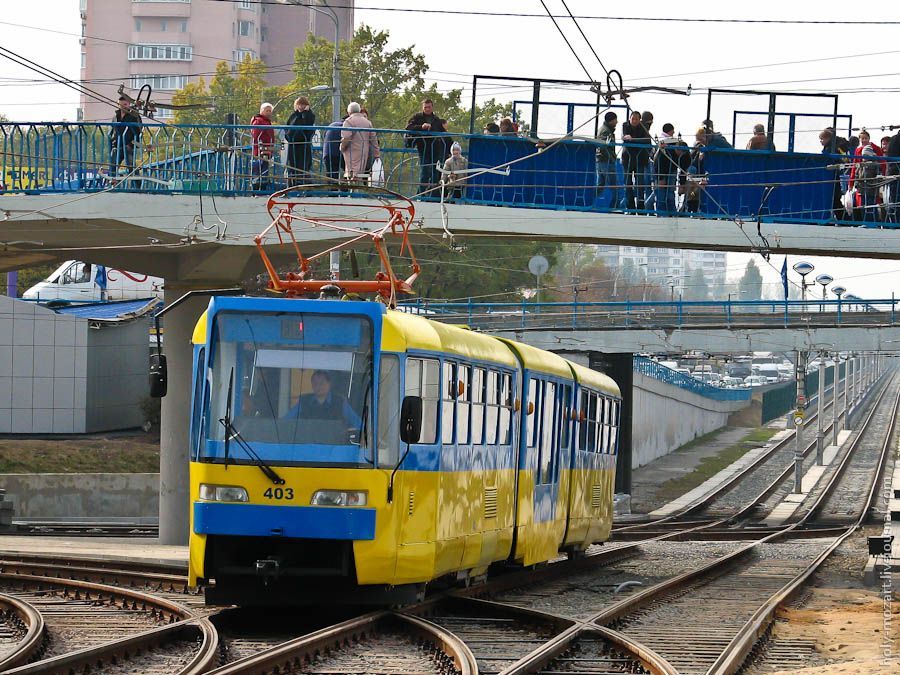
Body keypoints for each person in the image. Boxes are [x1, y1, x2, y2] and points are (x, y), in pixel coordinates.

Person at [284, 370, 361, 428]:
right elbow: (286, 421)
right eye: (315, 383)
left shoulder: (340, 402)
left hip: (335, 446)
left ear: (329, 384)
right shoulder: (304, 401)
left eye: (321, 383)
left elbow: (357, 423)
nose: (318, 387)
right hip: (308, 444)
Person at [405, 99, 449, 192]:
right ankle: (421, 194)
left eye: (429, 107)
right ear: (422, 108)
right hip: (423, 148)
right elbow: (408, 127)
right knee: (425, 172)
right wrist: (421, 127)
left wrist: (452, 148)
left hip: (435, 149)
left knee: (435, 173)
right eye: (425, 107)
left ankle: (432, 194)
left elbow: (444, 134)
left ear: (432, 107)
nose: (427, 109)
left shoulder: (436, 119)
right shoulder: (417, 117)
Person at [849, 130, 887, 223]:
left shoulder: (876, 148)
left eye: (865, 138)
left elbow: (883, 164)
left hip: (872, 182)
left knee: (872, 202)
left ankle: (873, 221)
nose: (864, 140)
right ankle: (865, 221)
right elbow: (855, 166)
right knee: (862, 202)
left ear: (869, 138)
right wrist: (852, 181)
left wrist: (883, 177)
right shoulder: (858, 150)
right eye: (862, 138)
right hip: (861, 181)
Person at [340, 101, 380, 181]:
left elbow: (346, 137)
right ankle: (357, 188)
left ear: (349, 111)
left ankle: (352, 190)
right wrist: (377, 154)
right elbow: (373, 139)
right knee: (360, 173)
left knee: (351, 173)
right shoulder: (367, 122)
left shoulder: (348, 121)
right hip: (364, 151)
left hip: (351, 151)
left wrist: (342, 147)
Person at [621, 110, 651, 211]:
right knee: (628, 183)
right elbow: (624, 137)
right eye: (632, 119)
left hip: (640, 159)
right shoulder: (625, 125)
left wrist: (632, 139)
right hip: (628, 159)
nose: (634, 121)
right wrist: (628, 138)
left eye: (636, 119)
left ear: (640, 120)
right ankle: (630, 207)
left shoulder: (643, 127)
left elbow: (646, 140)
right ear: (630, 118)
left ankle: (640, 207)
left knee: (640, 184)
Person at [108, 95, 142, 185]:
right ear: (118, 104)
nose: (124, 106)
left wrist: (131, 145)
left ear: (129, 104)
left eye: (125, 104)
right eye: (122, 104)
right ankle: (113, 184)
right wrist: (112, 142)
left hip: (128, 145)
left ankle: (138, 186)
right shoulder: (115, 116)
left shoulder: (134, 116)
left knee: (131, 166)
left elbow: (139, 132)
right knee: (113, 166)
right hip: (117, 145)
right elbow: (112, 131)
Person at [285, 96, 315, 186]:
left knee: (304, 166)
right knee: (292, 166)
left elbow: (307, 123)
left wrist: (305, 112)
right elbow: (289, 127)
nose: (300, 107)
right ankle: (291, 185)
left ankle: (303, 186)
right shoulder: (293, 115)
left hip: (304, 145)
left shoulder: (310, 115)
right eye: (299, 104)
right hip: (293, 145)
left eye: (303, 104)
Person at [595, 111, 620, 209]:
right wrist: (611, 158)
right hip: (606, 162)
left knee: (600, 185)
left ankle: (589, 201)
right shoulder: (606, 131)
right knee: (614, 186)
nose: (616, 122)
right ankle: (615, 207)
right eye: (615, 120)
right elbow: (604, 147)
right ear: (611, 121)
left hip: (601, 161)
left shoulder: (604, 129)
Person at [250, 102, 275, 190]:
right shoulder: (258, 120)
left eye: (270, 111)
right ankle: (257, 189)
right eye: (266, 110)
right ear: (261, 111)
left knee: (264, 170)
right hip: (260, 149)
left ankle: (262, 188)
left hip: (266, 149)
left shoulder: (266, 121)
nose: (268, 112)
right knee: (259, 170)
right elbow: (255, 134)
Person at [654, 123, 678, 215]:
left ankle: (662, 214)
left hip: (663, 171)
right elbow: (660, 160)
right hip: (667, 171)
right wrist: (661, 178)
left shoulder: (660, 141)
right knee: (668, 194)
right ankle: (671, 213)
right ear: (670, 131)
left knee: (661, 195)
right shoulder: (669, 141)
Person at [323, 116, 347, 181]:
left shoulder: (332, 125)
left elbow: (324, 134)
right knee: (348, 172)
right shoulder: (346, 126)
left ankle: (332, 189)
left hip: (327, 153)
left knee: (331, 177)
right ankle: (345, 188)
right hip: (340, 154)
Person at [640, 111, 655, 210]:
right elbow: (647, 145)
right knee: (648, 185)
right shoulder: (644, 129)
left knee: (645, 186)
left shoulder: (640, 128)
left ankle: (646, 208)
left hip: (643, 160)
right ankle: (647, 207)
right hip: (644, 161)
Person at [886, 130, 900, 224]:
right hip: (896, 174)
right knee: (896, 200)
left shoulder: (894, 139)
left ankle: (894, 222)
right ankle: (895, 222)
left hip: (894, 174)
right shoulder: (896, 140)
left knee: (894, 200)